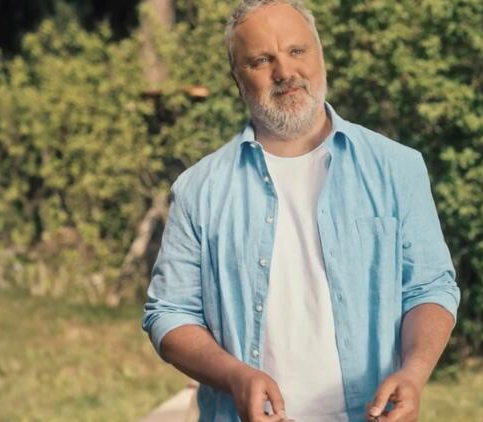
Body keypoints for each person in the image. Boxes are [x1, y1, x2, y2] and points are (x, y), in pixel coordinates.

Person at [142, 1, 460, 421]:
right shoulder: (199, 189)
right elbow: (169, 313)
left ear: (320, 56)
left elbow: (429, 288)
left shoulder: (396, 167)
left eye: (297, 51)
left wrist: (414, 373)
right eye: (261, 60)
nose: (284, 72)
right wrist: (235, 377)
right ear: (237, 79)